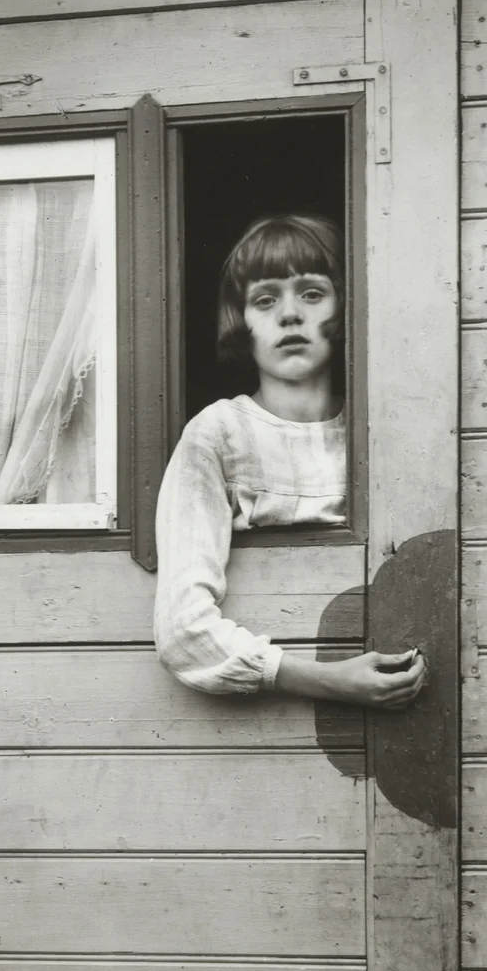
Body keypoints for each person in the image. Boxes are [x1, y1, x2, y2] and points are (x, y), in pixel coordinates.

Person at [153, 212, 425, 709]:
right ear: (241, 319)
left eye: (313, 293)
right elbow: (181, 629)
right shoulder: (217, 434)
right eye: (265, 299)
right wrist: (327, 681)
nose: (290, 315)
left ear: (345, 306)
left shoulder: (387, 427)